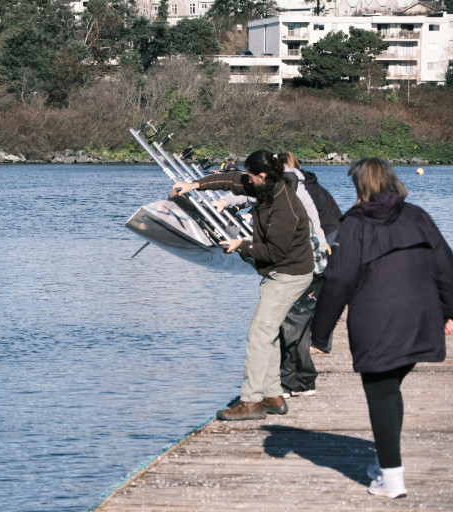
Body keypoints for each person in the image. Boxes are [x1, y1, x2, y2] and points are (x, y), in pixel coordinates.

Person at [311, 158, 453, 499]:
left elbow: (339, 279)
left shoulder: (355, 223)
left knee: (382, 392)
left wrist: (320, 333)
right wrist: (449, 312)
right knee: (390, 388)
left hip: (377, 322)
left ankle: (391, 479)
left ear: (360, 186)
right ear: (391, 179)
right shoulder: (417, 215)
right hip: (420, 319)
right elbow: (445, 267)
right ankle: (385, 462)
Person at [172, 150, 314, 421]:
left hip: (289, 274)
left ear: (263, 175)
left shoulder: (285, 208)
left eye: (251, 176)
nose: (246, 180)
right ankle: (273, 396)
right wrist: (194, 185)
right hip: (282, 272)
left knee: (259, 335)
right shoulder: (266, 186)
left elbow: (275, 252)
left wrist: (242, 245)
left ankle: (251, 402)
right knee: (267, 333)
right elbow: (231, 180)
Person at [276, 152, 343, 398]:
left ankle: (320, 345)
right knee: (314, 299)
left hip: (331, 234)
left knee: (320, 293)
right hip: (328, 234)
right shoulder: (300, 182)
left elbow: (307, 221)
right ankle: (310, 358)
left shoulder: (303, 187)